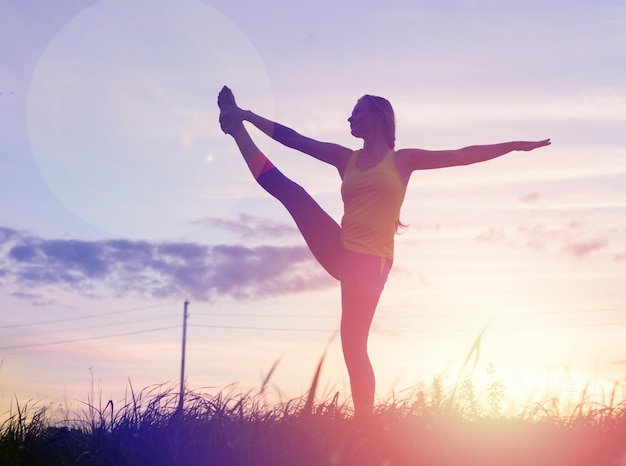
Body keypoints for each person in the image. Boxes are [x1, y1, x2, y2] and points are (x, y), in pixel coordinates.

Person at [217, 86, 550, 415]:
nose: (350, 118)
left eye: (357, 111)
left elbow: (463, 156)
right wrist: (246, 115)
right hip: (340, 248)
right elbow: (294, 139)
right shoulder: (344, 158)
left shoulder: (402, 161)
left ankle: (365, 420)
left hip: (371, 263)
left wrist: (515, 146)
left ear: (378, 117)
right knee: (293, 193)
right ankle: (236, 131)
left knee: (353, 343)